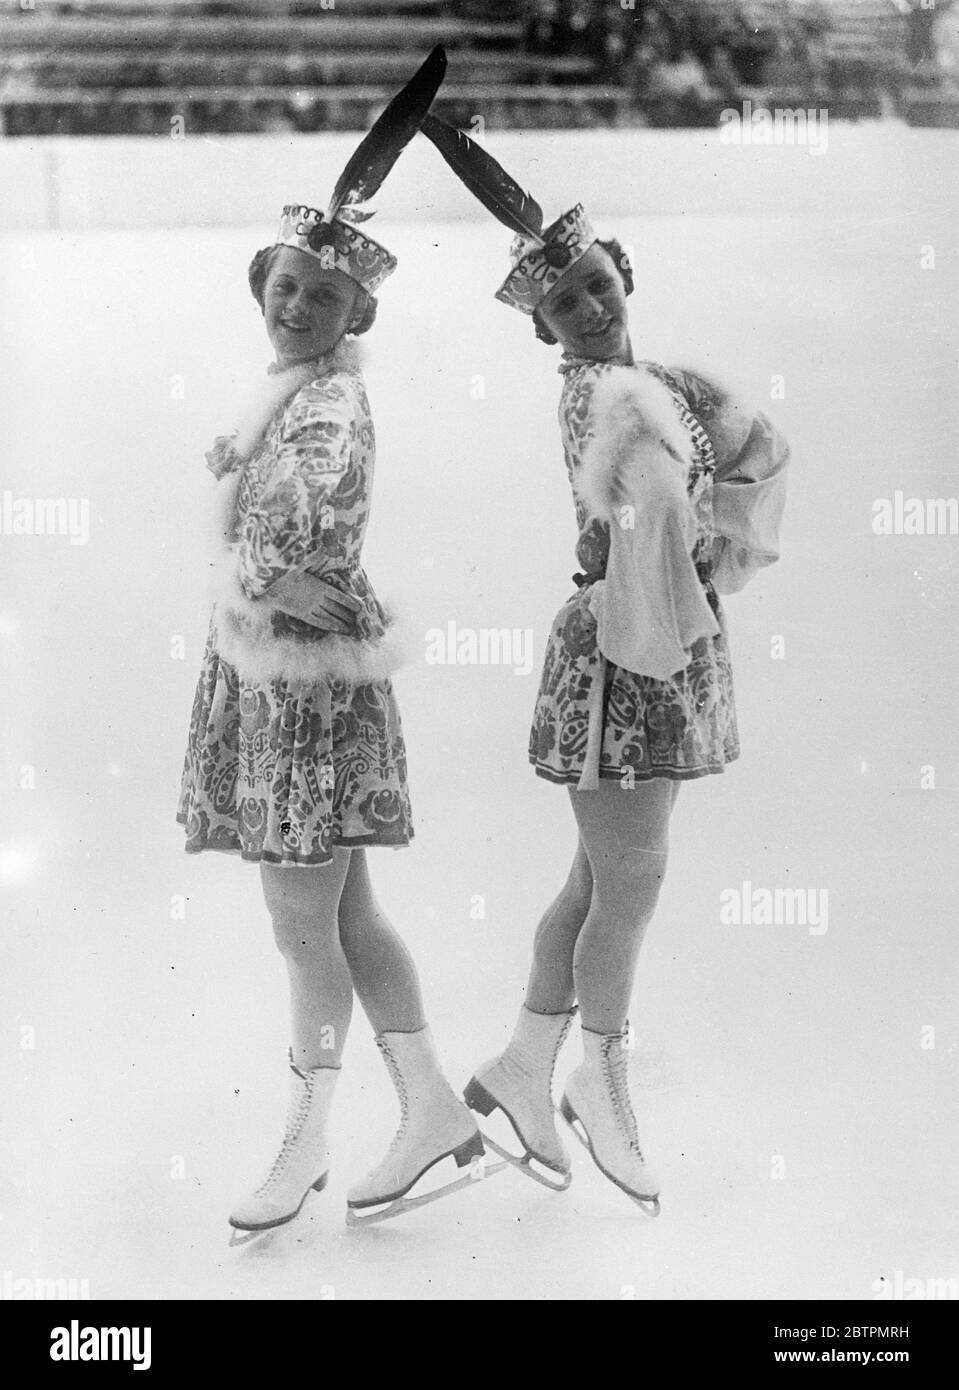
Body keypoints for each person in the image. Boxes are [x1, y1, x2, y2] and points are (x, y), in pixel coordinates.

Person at [421, 123, 788, 1210]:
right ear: (543, 327)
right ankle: (599, 1070)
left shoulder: (650, 379)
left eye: (596, 284)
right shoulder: (611, 394)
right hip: (632, 652)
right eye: (566, 302)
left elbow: (750, 446)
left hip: (650, 639)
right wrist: (684, 584)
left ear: (619, 275)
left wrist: (712, 539)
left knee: (597, 877)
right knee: (629, 879)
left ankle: (525, 1067)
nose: (589, 307)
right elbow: (648, 522)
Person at [177, 51, 484, 1236]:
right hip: (281, 679)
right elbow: (273, 554)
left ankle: (305, 1140)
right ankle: (429, 1111)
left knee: (305, 928)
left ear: (359, 311)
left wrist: (257, 559)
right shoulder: (287, 390)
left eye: (320, 292)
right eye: (285, 283)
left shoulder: (330, 404)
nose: (294, 302)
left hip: (302, 695)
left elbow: (300, 539)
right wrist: (255, 547)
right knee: (342, 920)